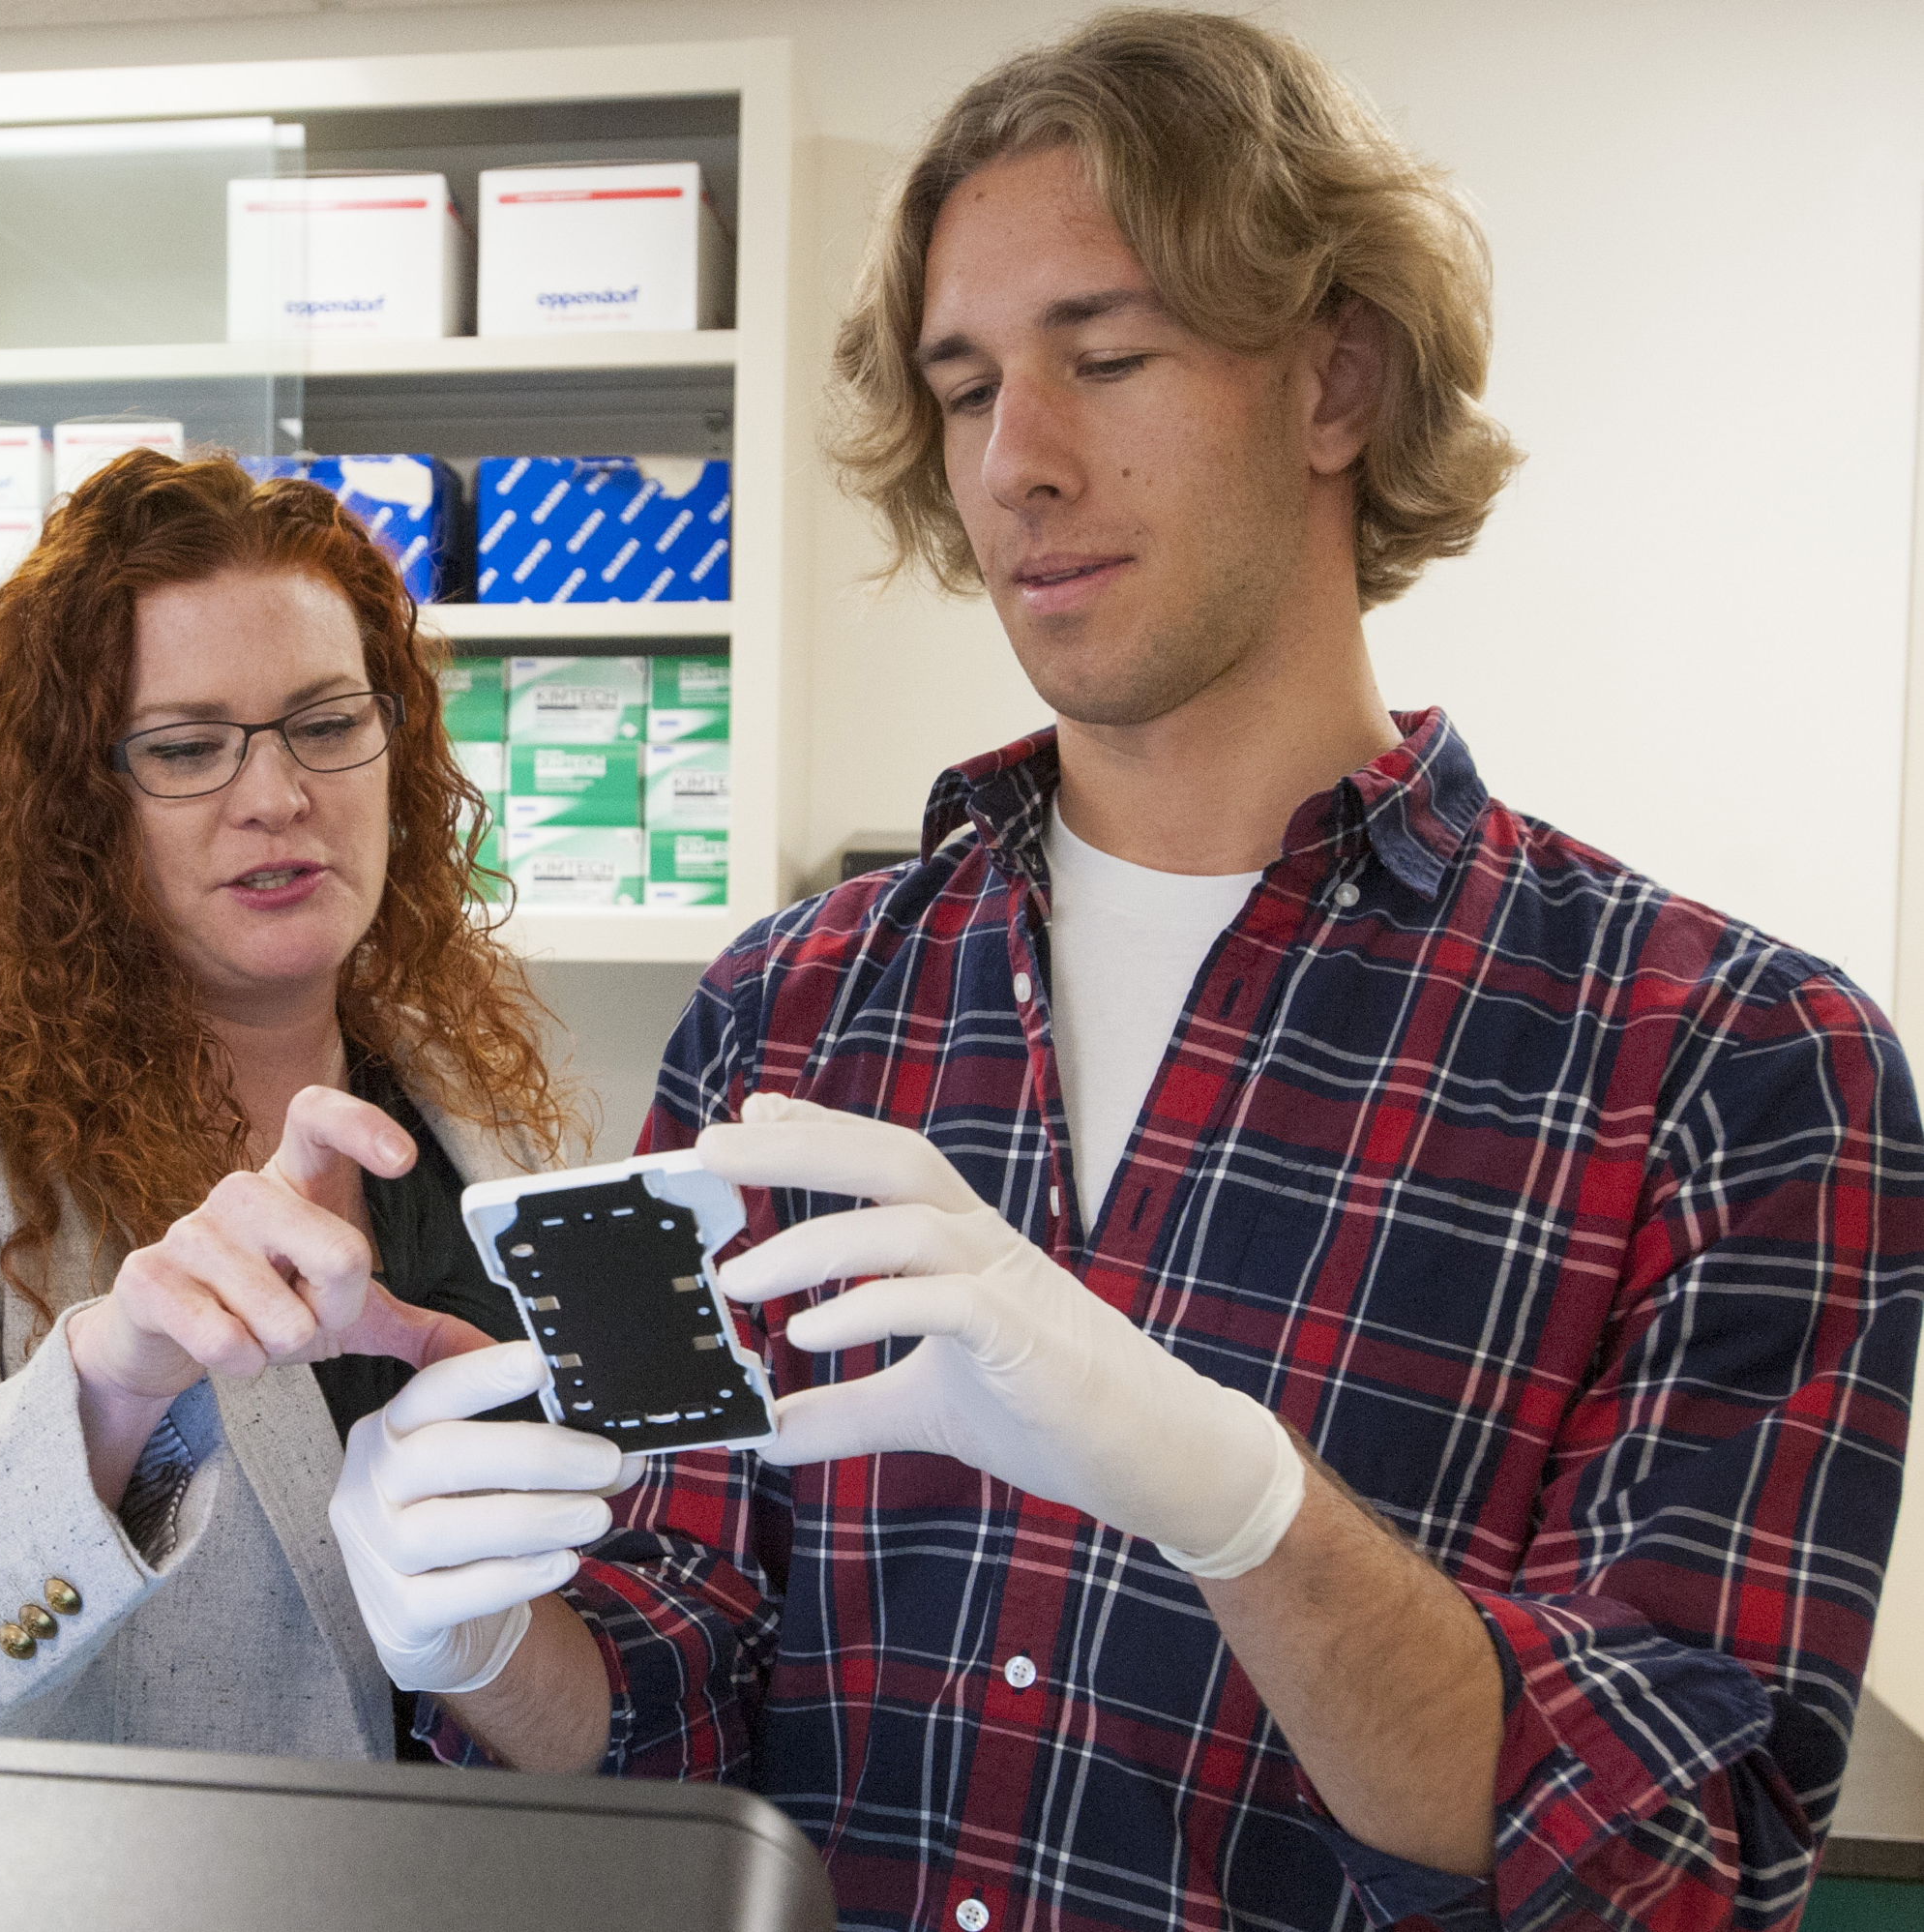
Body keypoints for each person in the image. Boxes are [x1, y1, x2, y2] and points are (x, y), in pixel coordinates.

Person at [326, 13, 1924, 1929]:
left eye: (1105, 355)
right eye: (964, 384)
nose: (1017, 462)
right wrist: (487, 1642)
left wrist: (1239, 1507)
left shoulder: (1731, 1068)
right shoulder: (797, 1012)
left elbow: (1674, 1865)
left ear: (1334, 378)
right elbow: (674, 1677)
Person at [0, 452, 589, 1759]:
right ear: (78, 805)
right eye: (186, 747)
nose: (278, 794)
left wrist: (488, 1647)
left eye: (329, 723)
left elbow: (590, 1691)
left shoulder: (462, 1101)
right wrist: (109, 1393)